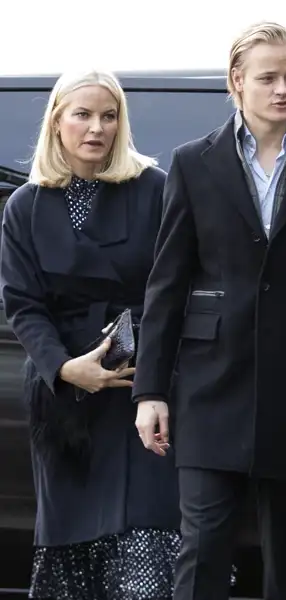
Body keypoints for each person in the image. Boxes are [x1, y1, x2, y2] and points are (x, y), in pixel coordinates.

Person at [132, 21, 286, 600]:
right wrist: (150, 390)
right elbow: (167, 282)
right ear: (237, 82)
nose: (284, 89)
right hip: (211, 385)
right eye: (269, 78)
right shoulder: (193, 163)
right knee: (202, 551)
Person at [0, 70, 181, 600]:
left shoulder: (154, 188)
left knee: (148, 542)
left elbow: (176, 285)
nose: (96, 127)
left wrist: (145, 360)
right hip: (66, 401)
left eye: (108, 115)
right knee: (73, 552)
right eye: (82, 114)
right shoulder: (25, 207)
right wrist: (63, 366)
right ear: (57, 121)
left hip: (142, 387)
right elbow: (23, 304)